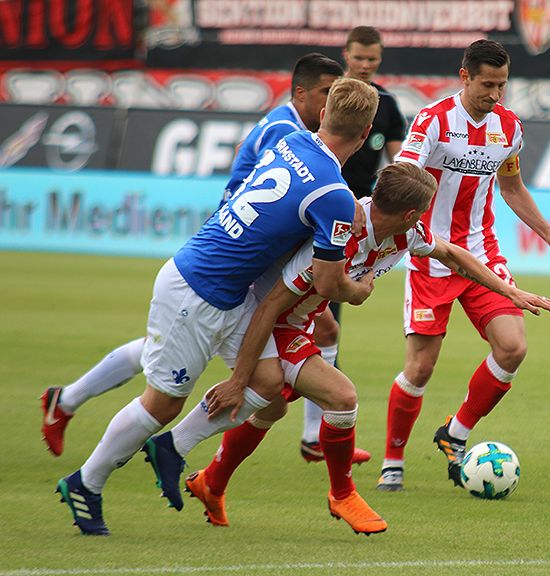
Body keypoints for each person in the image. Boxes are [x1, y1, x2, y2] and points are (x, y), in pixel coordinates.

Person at [55, 77, 380, 536]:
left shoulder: (290, 141)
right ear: (365, 134)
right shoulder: (335, 196)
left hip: (229, 286)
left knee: (267, 383)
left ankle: (171, 449)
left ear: (324, 115)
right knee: (162, 403)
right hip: (197, 289)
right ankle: (86, 482)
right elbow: (328, 280)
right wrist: (359, 289)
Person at [183, 163, 550, 529]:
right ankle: (341, 494)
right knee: (341, 397)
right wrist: (241, 377)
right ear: (411, 213)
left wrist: (510, 291)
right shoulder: (337, 238)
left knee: (271, 407)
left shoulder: (406, 233)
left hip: (298, 322)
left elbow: (452, 254)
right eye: (425, 212)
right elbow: (270, 306)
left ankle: (211, 482)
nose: (425, 220)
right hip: (268, 321)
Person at [38, 52, 349, 455]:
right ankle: (300, 435)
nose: (329, 103)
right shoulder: (288, 132)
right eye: (326, 92)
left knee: (167, 346)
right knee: (310, 339)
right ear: (301, 92)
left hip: (236, 245)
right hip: (240, 254)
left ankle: (66, 401)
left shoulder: (284, 124)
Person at [376, 39, 550, 492]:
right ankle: (393, 460)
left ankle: (456, 433)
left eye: (502, 85)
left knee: (512, 347)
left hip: (481, 256)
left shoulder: (508, 128)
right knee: (421, 368)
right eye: (487, 84)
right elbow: (401, 180)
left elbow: (512, 188)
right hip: (432, 257)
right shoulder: (432, 121)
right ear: (464, 76)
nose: (495, 94)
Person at [300, 25, 408, 465]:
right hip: (312, 212)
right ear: (347, 55)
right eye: (360, 58)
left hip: (355, 225)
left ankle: (312, 434)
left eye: (373, 60)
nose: (366, 65)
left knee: (325, 323)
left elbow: (400, 164)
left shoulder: (387, 106)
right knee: (313, 322)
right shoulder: (332, 100)